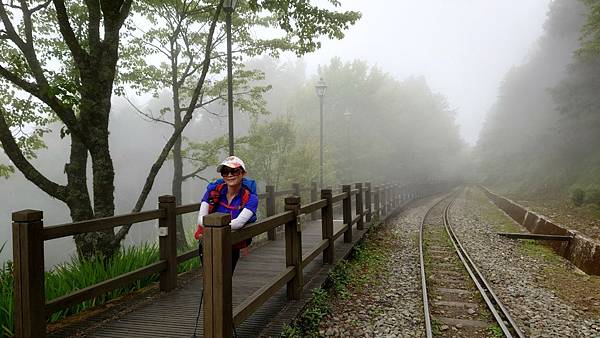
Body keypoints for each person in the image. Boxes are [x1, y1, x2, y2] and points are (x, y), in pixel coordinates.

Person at [194, 156, 258, 271]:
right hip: (208, 241)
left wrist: (216, 226)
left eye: (234, 171)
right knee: (208, 276)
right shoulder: (212, 191)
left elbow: (239, 223)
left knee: (226, 277)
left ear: (243, 173)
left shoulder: (251, 198)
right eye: (225, 172)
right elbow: (200, 219)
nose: (229, 175)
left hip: (231, 244)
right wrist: (216, 228)